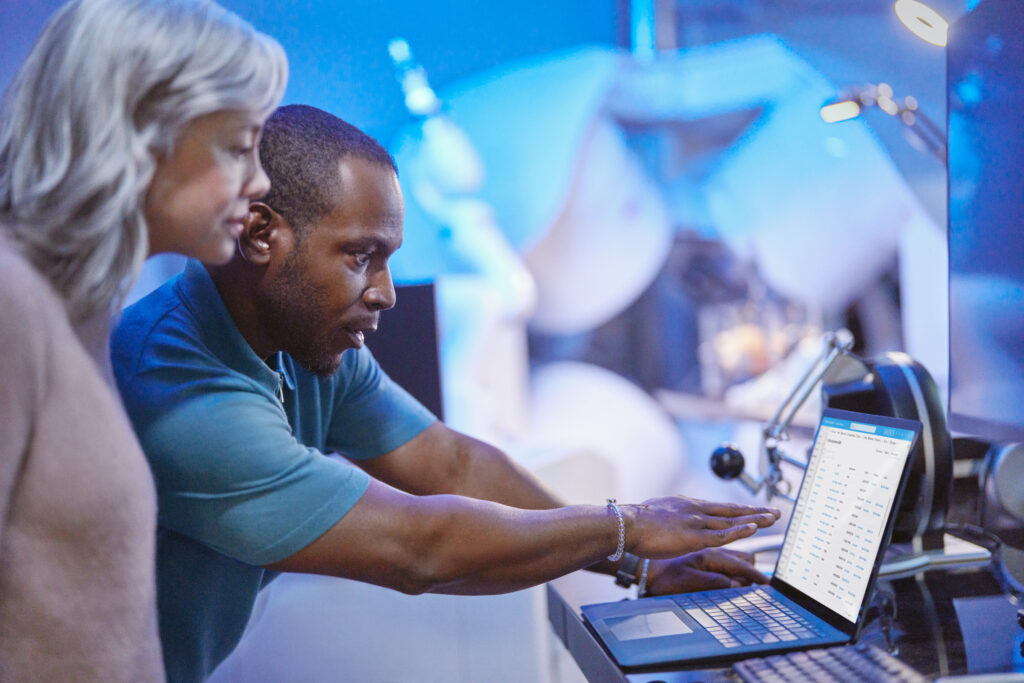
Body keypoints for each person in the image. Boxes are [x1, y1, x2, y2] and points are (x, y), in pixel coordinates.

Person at [111, 104, 780, 680]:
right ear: (260, 233)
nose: (385, 292)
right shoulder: (178, 388)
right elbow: (418, 549)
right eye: (359, 255)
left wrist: (637, 561)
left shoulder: (305, 340)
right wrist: (626, 524)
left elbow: (449, 464)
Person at [0, 0, 287, 679]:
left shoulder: (79, 307)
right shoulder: (12, 301)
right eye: (239, 146)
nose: (262, 180)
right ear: (140, 132)